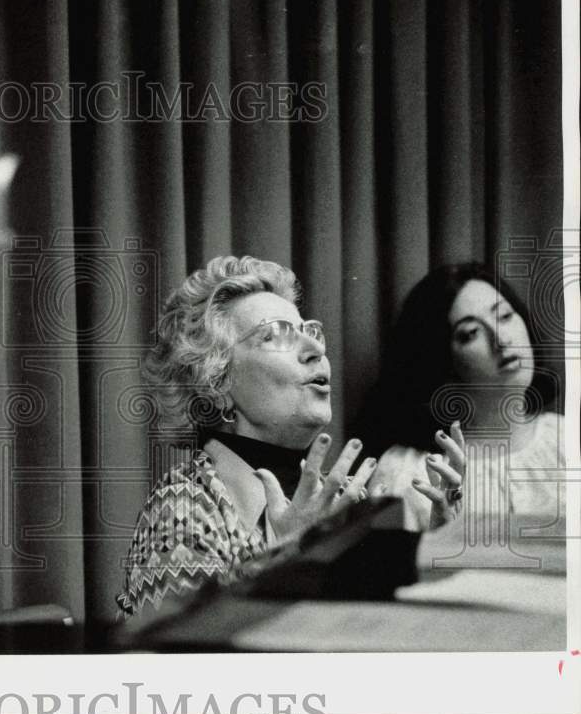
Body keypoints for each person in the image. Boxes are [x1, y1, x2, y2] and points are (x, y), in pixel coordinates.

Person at [116, 255, 379, 619]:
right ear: (217, 380)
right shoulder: (181, 510)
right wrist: (287, 559)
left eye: (310, 331)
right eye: (274, 335)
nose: (316, 349)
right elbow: (180, 663)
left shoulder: (345, 495)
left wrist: (435, 544)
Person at [359, 263, 561, 531]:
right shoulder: (408, 471)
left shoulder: (567, 439)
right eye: (470, 333)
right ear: (442, 362)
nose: (502, 339)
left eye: (504, 316)